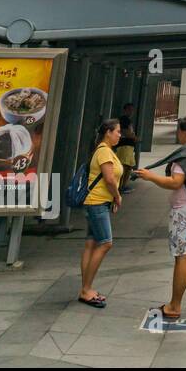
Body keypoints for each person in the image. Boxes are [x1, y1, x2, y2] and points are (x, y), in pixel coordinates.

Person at [134, 116, 186, 319]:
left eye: (178, 130)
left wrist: (150, 176)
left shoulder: (184, 156)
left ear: (185, 132)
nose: (177, 134)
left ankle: (174, 306)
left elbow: (175, 182)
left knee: (182, 257)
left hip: (183, 212)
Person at [79, 119, 122, 309]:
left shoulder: (104, 150)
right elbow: (109, 179)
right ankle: (86, 289)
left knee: (91, 244)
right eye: (117, 131)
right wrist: (117, 197)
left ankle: (85, 288)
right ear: (108, 132)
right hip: (98, 203)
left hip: (95, 202)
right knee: (105, 243)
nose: (120, 135)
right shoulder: (104, 151)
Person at [115, 109, 138, 192]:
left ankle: (123, 186)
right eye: (129, 109)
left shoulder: (126, 120)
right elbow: (125, 132)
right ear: (124, 110)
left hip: (128, 146)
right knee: (124, 166)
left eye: (132, 110)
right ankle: (120, 186)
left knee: (128, 166)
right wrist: (133, 137)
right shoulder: (124, 120)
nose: (131, 112)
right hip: (125, 146)